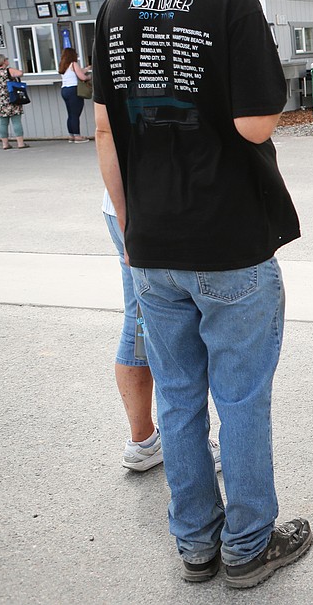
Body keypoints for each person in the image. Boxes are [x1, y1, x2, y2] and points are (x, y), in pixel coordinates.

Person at [93, 0, 311, 589]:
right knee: (241, 398)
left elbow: (105, 129)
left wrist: (131, 229)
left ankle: (195, 543)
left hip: (152, 243)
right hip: (230, 243)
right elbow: (254, 123)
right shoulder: (231, 2)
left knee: (180, 398)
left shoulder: (118, 4)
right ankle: (248, 546)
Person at [103, 190, 222, 473]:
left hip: (121, 206)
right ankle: (189, 449)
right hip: (159, 207)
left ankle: (143, 441)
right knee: (176, 332)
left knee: (140, 322)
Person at [0, 53, 27, 150]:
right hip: (12, 99)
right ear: (4, 61)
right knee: (16, 121)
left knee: (3, 123)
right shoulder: (8, 70)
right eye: (6, 59)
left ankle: (5, 144)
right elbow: (20, 73)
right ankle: (20, 143)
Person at [59, 48, 92, 142]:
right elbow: (82, 76)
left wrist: (86, 69)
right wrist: (89, 77)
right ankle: (77, 136)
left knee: (70, 114)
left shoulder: (63, 65)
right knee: (75, 114)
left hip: (64, 89)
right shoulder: (74, 64)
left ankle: (71, 135)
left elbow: (78, 72)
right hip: (73, 90)